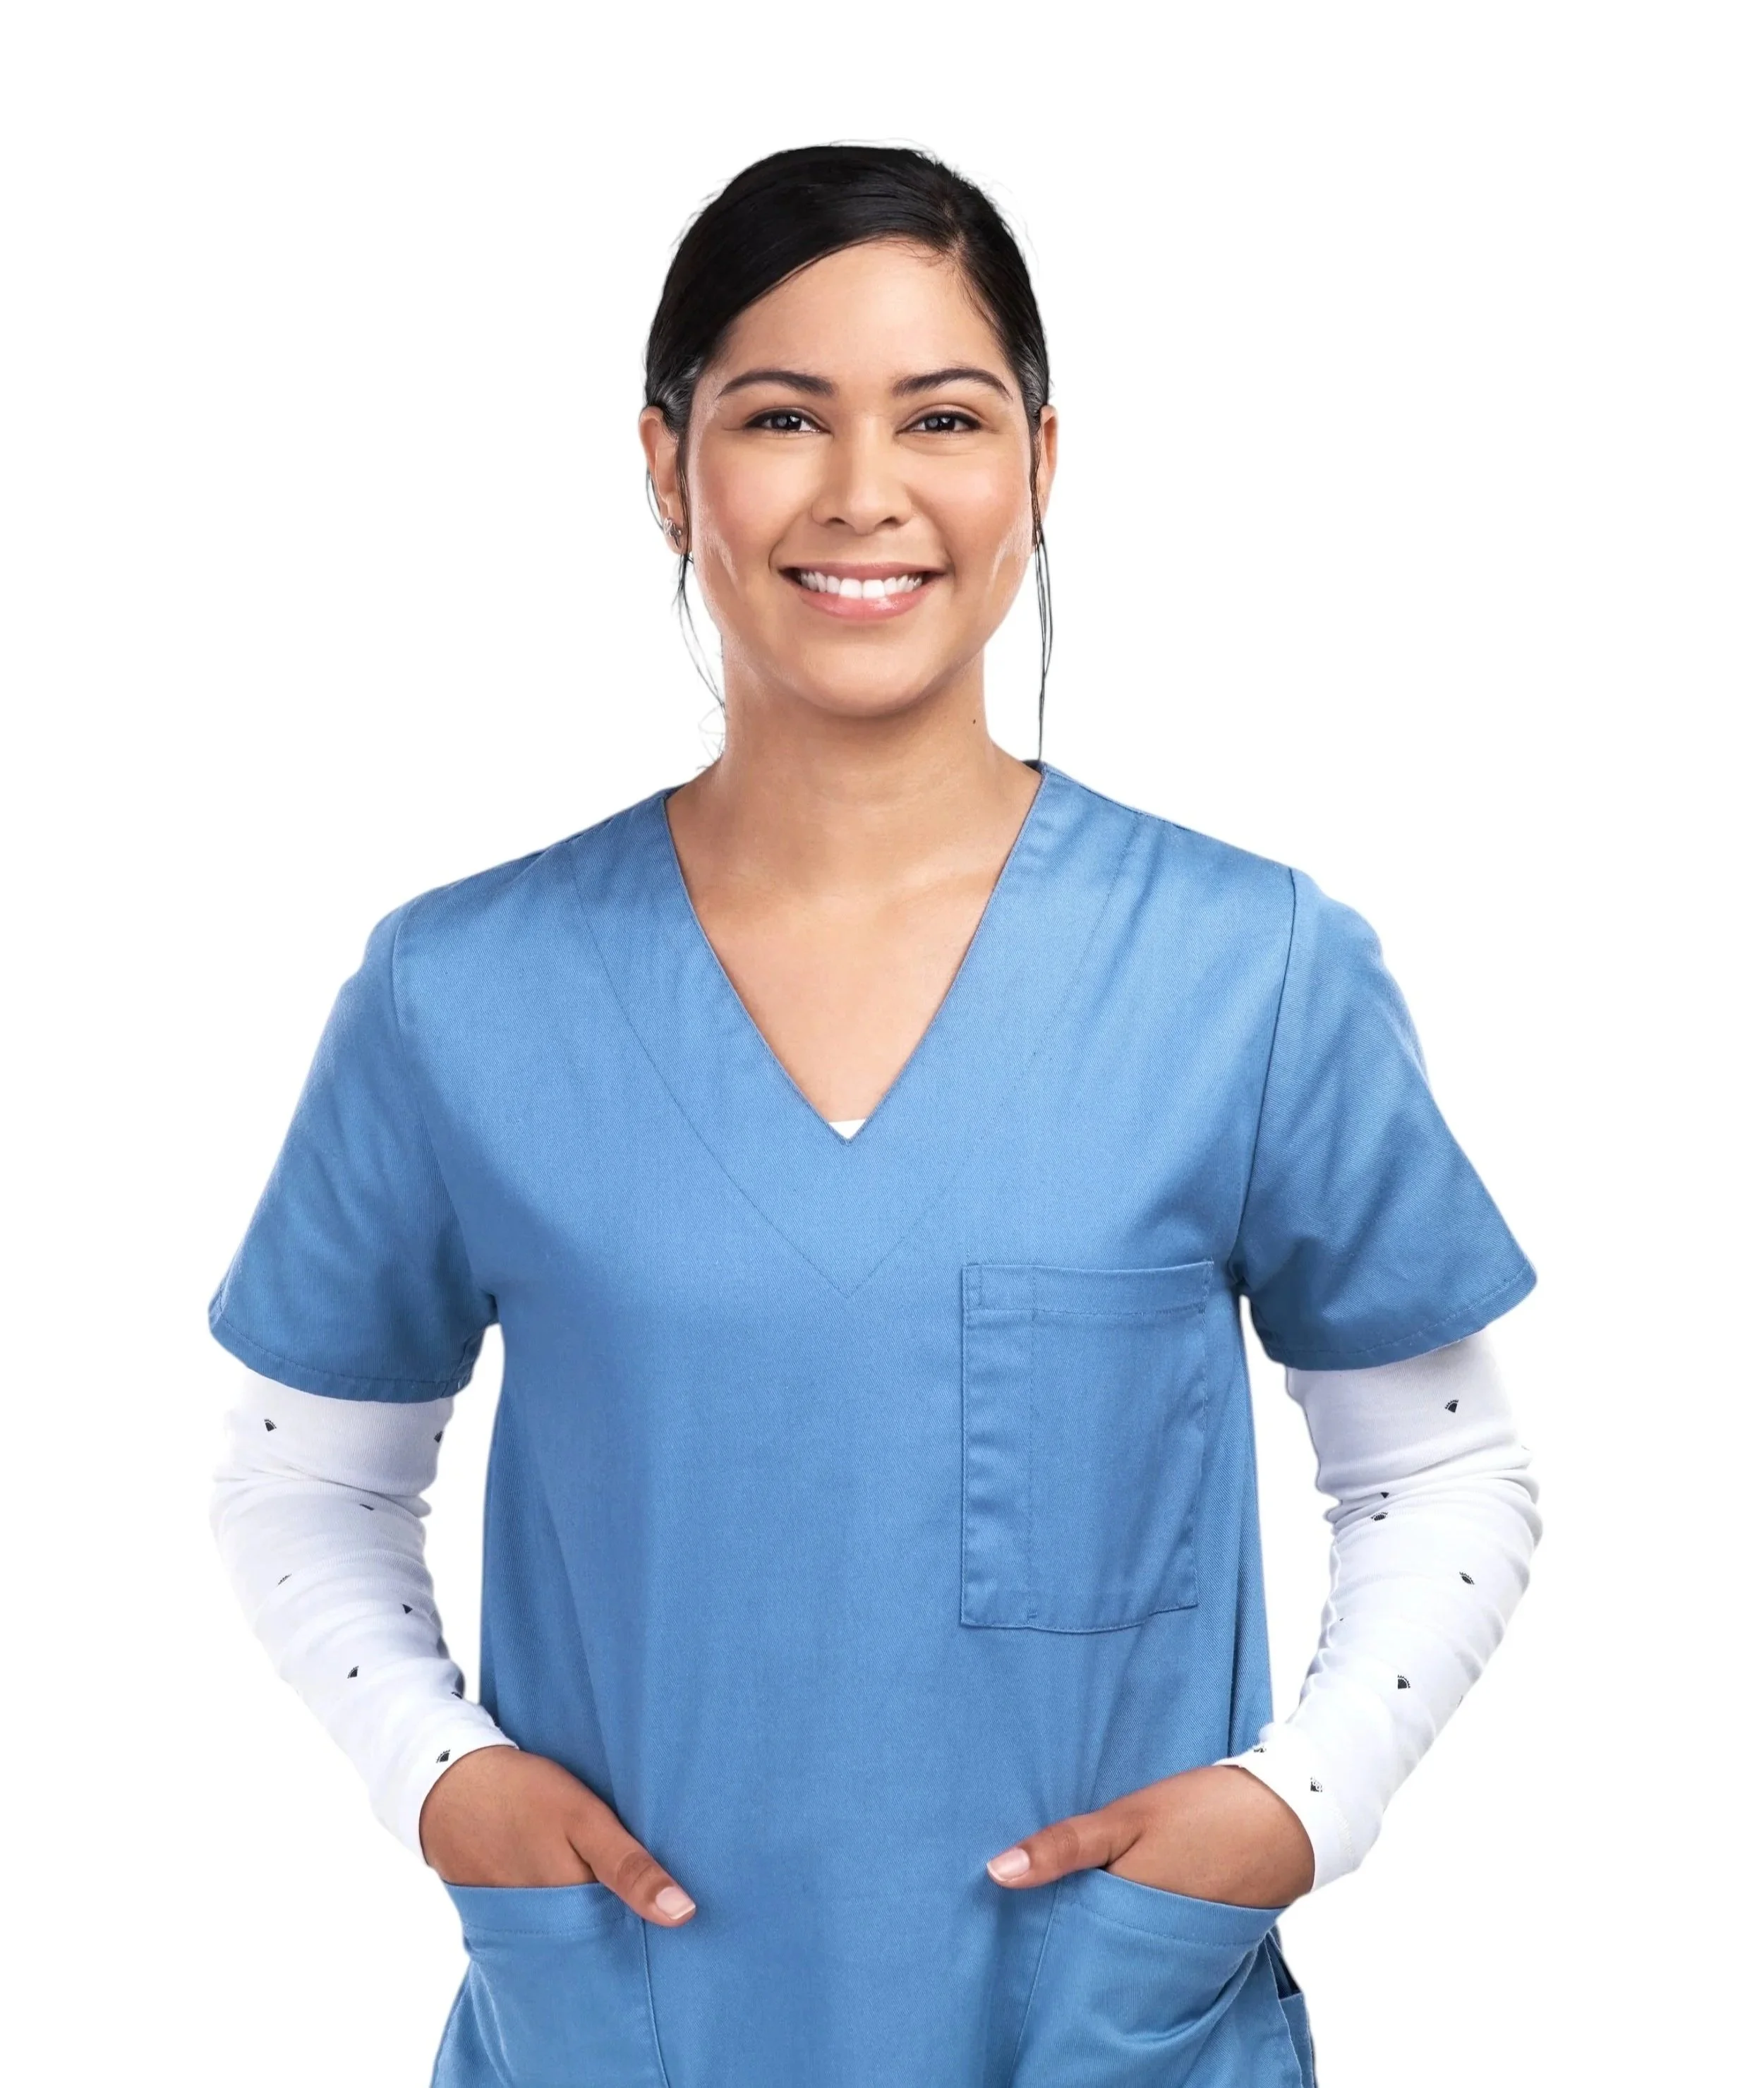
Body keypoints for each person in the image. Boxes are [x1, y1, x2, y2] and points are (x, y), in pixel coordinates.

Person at [208, 144, 1542, 2088]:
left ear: (1040, 467)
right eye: (779, 417)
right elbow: (301, 1478)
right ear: (667, 469)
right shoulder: (461, 995)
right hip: (633, 2024)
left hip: (1095, 2029)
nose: (863, 491)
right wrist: (440, 1775)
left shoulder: (1247, 970)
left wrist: (1297, 1805)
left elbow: (1441, 1468)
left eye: (943, 417)